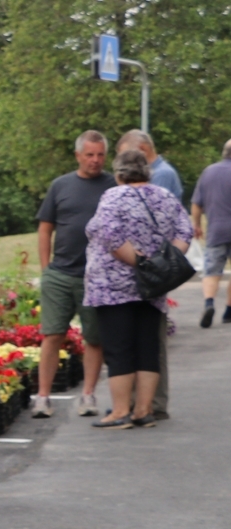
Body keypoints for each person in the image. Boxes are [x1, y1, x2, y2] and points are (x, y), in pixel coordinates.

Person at [83, 149, 192, 430]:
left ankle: (120, 411)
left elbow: (110, 235)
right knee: (147, 348)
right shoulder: (165, 197)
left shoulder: (113, 196)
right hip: (153, 288)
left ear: (119, 174)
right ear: (147, 171)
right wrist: (162, 264)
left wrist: (140, 262)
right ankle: (144, 411)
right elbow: (185, 230)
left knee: (119, 349)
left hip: (113, 288)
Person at [34, 131, 114, 419]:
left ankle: (88, 395)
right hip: (60, 274)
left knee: (94, 338)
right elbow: (45, 228)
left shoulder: (112, 186)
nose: (95, 160)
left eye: (100, 154)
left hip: (95, 276)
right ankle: (43, 397)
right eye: (89, 154)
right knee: (52, 335)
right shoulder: (61, 185)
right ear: (78, 155)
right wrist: (46, 269)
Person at [113, 131, 178, 417]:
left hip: (145, 273)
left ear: (142, 150)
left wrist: (153, 262)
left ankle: (149, 403)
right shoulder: (163, 174)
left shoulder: (159, 178)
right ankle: (146, 403)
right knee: (149, 341)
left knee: (150, 343)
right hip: (152, 273)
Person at [192, 140, 231, 327]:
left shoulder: (209, 172)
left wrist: (196, 224)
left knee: (212, 271)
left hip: (216, 230)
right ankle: (229, 311)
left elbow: (197, 202)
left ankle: (209, 303)